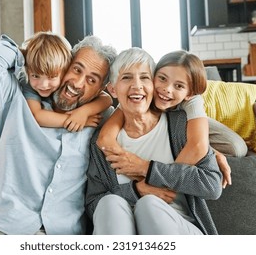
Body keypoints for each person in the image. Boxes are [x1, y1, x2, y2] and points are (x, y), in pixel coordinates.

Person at [0, 33, 117, 235]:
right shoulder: (14, 97)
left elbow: (124, 102)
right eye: (76, 69)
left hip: (49, 232)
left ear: (100, 89)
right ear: (65, 64)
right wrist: (38, 54)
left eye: (91, 79)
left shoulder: (102, 118)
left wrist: (88, 109)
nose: (78, 83)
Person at [85, 47, 223, 235]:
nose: (137, 86)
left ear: (153, 86)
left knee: (149, 205)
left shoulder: (180, 126)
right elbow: (93, 205)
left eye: (144, 77)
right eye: (126, 78)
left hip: (181, 227)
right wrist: (136, 190)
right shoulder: (101, 144)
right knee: (108, 202)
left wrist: (148, 169)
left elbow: (212, 186)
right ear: (112, 89)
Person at [97, 50, 232, 188]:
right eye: (162, 78)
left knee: (235, 147)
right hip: (173, 116)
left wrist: (211, 152)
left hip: (187, 116)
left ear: (189, 93)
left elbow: (197, 145)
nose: (167, 89)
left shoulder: (192, 102)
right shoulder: (138, 98)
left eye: (178, 85)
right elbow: (106, 136)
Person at [19, 31, 112, 132]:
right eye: (77, 70)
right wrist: (75, 120)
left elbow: (106, 99)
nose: (44, 84)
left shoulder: (105, 118)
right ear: (67, 65)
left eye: (91, 80)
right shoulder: (27, 85)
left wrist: (84, 112)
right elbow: (37, 116)